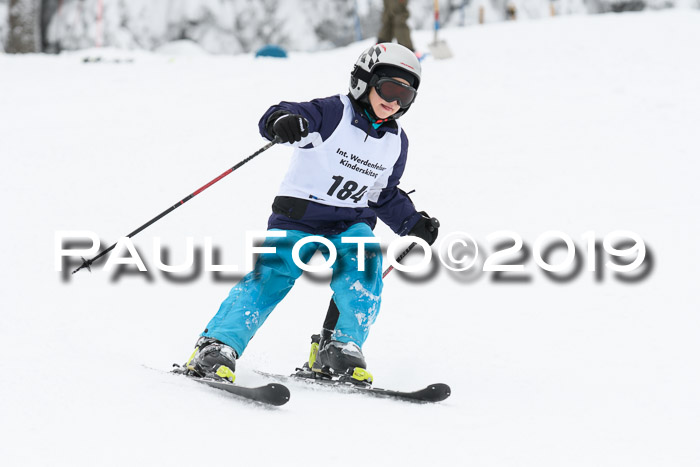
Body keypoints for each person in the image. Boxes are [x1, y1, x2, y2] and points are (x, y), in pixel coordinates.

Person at [183, 43, 438, 385]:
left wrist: (412, 221)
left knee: (365, 265)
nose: (394, 101)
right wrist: (283, 122)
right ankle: (217, 345)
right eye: (389, 88)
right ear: (364, 80)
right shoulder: (334, 112)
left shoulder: (395, 142)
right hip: (299, 216)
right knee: (273, 273)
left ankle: (339, 347)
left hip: (351, 221)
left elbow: (382, 193)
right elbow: (283, 111)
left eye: (405, 96)